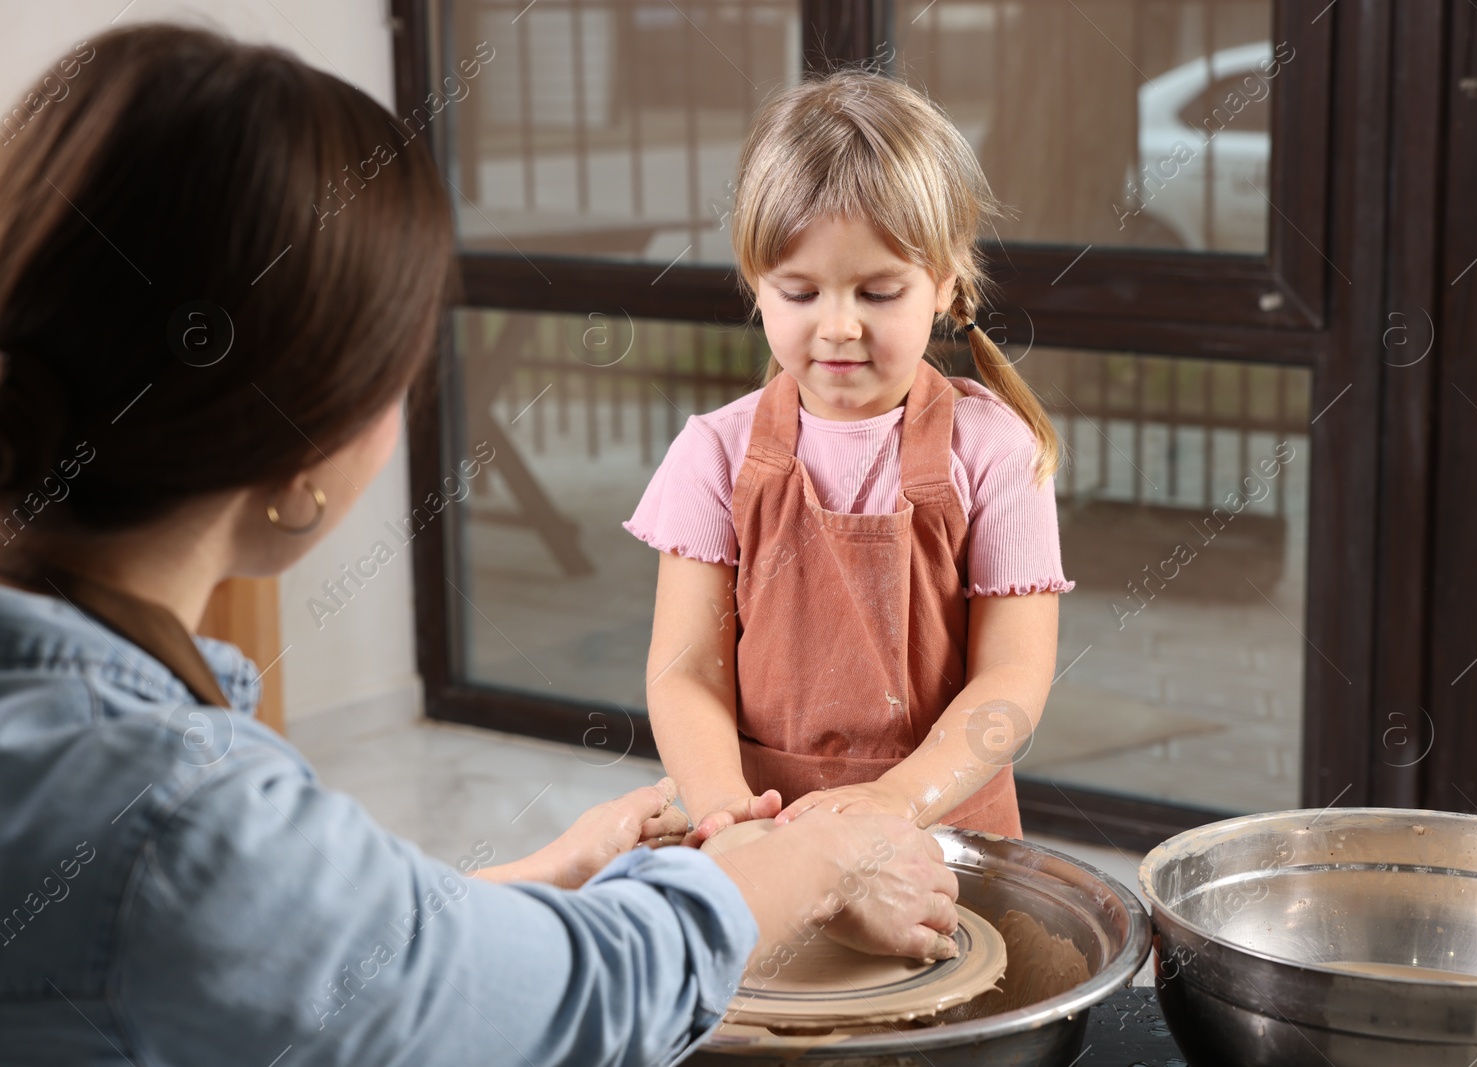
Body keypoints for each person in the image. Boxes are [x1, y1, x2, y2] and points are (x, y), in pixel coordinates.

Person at [0, 25, 961, 1066]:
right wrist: (813, 859)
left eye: (877, 291)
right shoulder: (169, 816)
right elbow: (586, 988)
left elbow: (320, 952)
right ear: (303, 453)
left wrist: (552, 867)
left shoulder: (97, 750)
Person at [626, 70, 1069, 845]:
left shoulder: (996, 450)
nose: (837, 326)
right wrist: (727, 814)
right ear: (755, 287)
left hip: (947, 837)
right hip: (767, 836)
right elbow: (686, 673)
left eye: (877, 292)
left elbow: (1012, 678)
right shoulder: (713, 456)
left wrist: (898, 799)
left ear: (944, 282)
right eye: (800, 293)